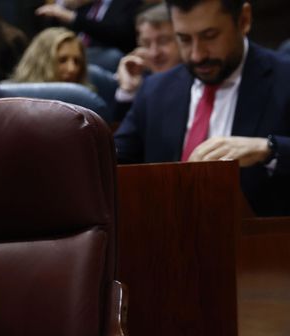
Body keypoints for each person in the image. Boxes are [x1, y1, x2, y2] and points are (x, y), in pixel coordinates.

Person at [114, 0, 290, 216]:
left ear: (244, 20)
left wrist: (270, 149)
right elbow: (115, 161)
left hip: (264, 243)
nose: (197, 55)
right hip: (166, 237)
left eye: (210, 36)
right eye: (184, 39)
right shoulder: (155, 90)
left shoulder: (284, 78)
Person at [113, 2, 181, 120]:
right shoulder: (142, 79)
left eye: (163, 41)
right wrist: (129, 90)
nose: (154, 53)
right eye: (146, 43)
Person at [35, 0, 143, 69]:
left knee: (111, 56)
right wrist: (63, 5)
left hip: (103, 56)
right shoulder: (86, 4)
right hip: (75, 52)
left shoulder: (128, 3)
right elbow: (54, 30)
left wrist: (73, 17)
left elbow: (119, 33)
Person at [11, 27, 91, 85]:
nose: (72, 69)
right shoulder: (10, 98)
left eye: (77, 62)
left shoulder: (88, 101)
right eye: (62, 60)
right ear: (41, 62)